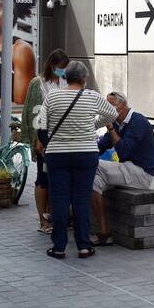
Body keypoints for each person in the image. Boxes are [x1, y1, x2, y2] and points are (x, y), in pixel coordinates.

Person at [42, 61, 117, 259]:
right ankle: (84, 246)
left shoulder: (53, 95)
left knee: (59, 200)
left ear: (65, 77)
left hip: (57, 154)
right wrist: (93, 125)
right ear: (84, 79)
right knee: (81, 200)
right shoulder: (91, 96)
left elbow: (41, 124)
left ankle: (59, 247)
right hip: (86, 154)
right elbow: (113, 113)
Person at [89, 91, 154, 247]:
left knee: (93, 164)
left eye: (110, 105)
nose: (106, 109)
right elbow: (101, 146)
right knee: (92, 181)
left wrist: (110, 128)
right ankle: (105, 232)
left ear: (122, 106)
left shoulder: (137, 121)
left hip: (141, 173)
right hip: (127, 170)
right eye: (105, 105)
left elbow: (123, 151)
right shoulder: (117, 123)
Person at [23, 48, 70, 234]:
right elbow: (33, 111)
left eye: (65, 68)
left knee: (57, 179)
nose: (63, 70)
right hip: (44, 139)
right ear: (52, 65)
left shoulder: (67, 82)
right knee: (43, 179)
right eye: (60, 67)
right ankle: (43, 220)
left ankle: (54, 216)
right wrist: (36, 139)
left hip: (63, 139)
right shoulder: (38, 83)